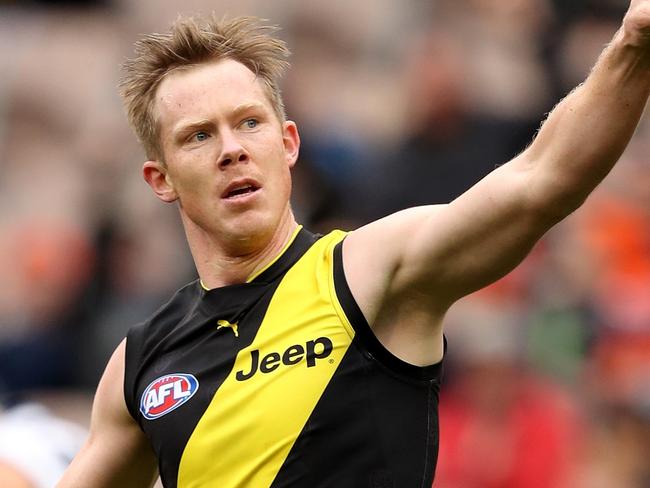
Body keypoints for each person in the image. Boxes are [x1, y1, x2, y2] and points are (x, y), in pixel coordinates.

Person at [59, 3, 650, 487]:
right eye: (198, 136)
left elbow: (539, 184)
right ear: (160, 179)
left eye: (249, 123)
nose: (232, 149)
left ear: (288, 144)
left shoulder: (368, 272)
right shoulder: (140, 364)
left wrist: (632, 43)